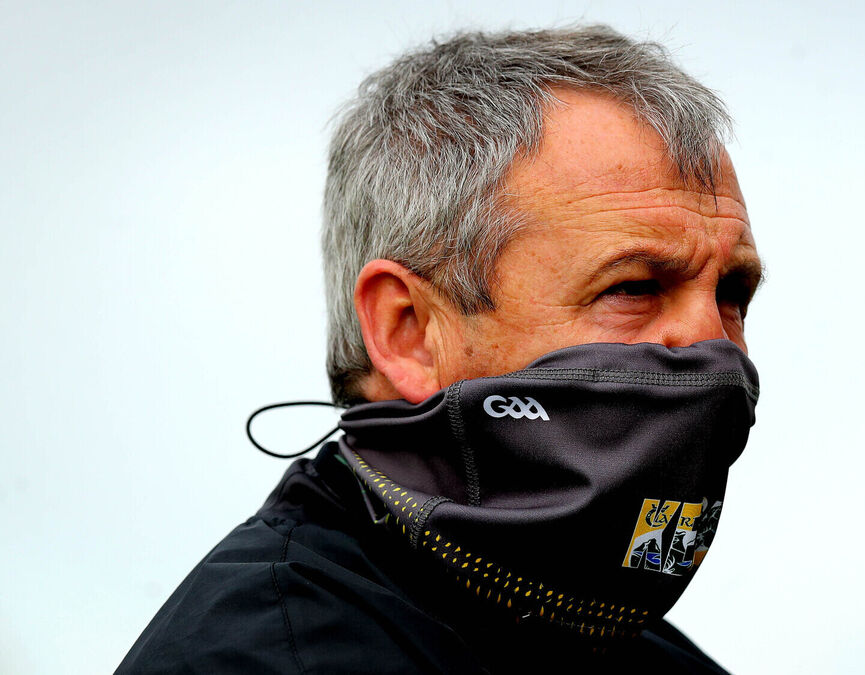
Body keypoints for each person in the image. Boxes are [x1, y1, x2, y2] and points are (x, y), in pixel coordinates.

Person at [119, 25, 763, 674]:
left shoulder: (641, 651)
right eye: (634, 287)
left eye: (732, 293)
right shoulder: (261, 658)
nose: (716, 345)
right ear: (409, 331)